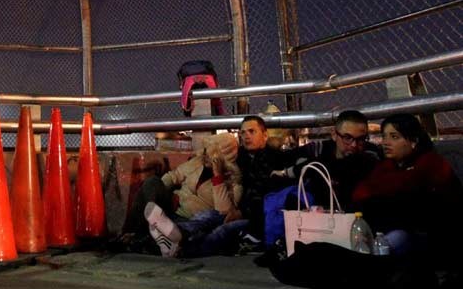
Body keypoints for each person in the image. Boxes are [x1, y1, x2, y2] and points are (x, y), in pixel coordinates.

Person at [351, 113, 463, 289]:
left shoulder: (432, 163)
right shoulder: (387, 166)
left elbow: (412, 190)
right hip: (402, 230)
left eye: (394, 137)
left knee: (411, 205)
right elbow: (360, 194)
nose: (386, 142)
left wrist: (384, 192)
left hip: (437, 238)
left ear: (413, 141)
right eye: (384, 136)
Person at [115, 133, 245, 257]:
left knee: (204, 224)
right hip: (171, 207)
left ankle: (143, 236)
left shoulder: (233, 183)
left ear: (221, 159)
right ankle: (143, 223)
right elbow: (173, 176)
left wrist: (218, 176)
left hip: (189, 219)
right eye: (205, 151)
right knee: (152, 182)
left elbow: (223, 211)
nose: (205, 156)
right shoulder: (197, 162)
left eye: (211, 155)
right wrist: (159, 193)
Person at [271, 110, 380, 207]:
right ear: (334, 134)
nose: (354, 145)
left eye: (361, 139)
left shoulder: (370, 154)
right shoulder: (320, 149)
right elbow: (285, 158)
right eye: (347, 138)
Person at [235, 115, 292, 243]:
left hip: (258, 218)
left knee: (221, 234)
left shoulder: (277, 160)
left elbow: (266, 195)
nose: (246, 136)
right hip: (235, 210)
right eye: (243, 133)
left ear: (265, 135)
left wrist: (240, 212)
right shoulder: (239, 158)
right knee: (207, 218)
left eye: (252, 131)